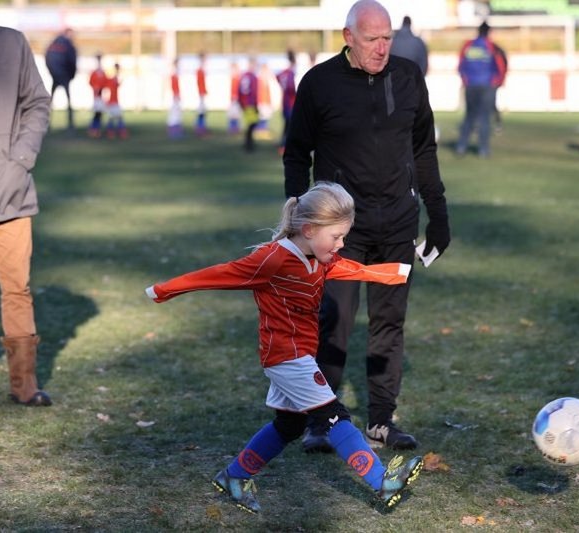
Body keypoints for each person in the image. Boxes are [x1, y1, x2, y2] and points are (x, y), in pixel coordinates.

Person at [145, 182, 424, 513]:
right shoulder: (273, 259)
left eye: (343, 237)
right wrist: (163, 290)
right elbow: (221, 274)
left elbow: (353, 268)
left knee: (290, 424)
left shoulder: (320, 258)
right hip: (285, 357)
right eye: (336, 237)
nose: (342, 244)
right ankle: (382, 482)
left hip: (300, 355)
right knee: (334, 416)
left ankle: (234, 478)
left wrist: (398, 271)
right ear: (308, 230)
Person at [283, 0, 450, 453]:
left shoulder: (408, 77)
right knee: (334, 320)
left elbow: (424, 150)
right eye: (372, 39)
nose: (381, 48)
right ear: (348, 37)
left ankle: (381, 419)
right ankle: (321, 420)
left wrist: (438, 214)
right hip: (340, 230)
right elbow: (297, 153)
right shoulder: (319, 83)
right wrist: (297, 217)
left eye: (387, 38)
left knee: (389, 322)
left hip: (398, 224)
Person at [0, 0, 52, 406]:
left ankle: (24, 386)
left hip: (10, 187)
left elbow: (37, 102)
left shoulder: (13, 44)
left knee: (17, 289)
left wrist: (22, 158)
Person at [455, 20, 507, 158]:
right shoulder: (492, 47)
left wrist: (465, 80)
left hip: (471, 85)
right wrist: (497, 82)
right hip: (487, 86)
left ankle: (461, 147)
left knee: (469, 116)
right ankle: (483, 150)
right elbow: (501, 67)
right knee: (485, 118)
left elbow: (460, 65)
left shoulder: (468, 45)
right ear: (489, 32)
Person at [44, 28, 77, 131]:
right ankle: (70, 125)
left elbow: (47, 58)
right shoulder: (68, 44)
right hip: (64, 76)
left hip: (55, 76)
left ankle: (47, 124)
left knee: (51, 100)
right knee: (68, 100)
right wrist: (71, 75)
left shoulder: (53, 43)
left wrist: (52, 73)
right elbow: (72, 60)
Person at [275, 49, 296, 155]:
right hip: (291, 104)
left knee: (287, 126)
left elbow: (277, 77)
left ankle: (282, 145)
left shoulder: (284, 72)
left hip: (285, 102)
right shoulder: (290, 73)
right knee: (290, 127)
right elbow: (291, 88)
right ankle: (284, 146)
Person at [238, 55, 259, 152]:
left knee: (250, 123)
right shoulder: (252, 77)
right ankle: (248, 143)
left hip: (244, 103)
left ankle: (248, 142)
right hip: (250, 103)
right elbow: (254, 92)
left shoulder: (243, 75)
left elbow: (239, 90)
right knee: (252, 123)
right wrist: (255, 104)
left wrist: (240, 102)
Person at [104, 62, 128, 139]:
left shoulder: (114, 79)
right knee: (115, 117)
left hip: (115, 101)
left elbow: (118, 84)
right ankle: (115, 131)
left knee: (116, 117)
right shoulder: (110, 80)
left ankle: (115, 131)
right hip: (112, 102)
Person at [87, 53, 107, 138]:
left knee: (99, 114)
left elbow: (106, 82)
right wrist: (95, 87)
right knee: (97, 114)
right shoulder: (95, 72)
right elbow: (91, 82)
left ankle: (96, 130)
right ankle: (93, 129)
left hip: (101, 96)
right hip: (96, 96)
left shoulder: (102, 72)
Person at [167, 57, 183, 139]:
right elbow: (174, 86)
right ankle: (173, 131)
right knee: (174, 113)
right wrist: (176, 95)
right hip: (174, 96)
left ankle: (176, 130)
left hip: (176, 95)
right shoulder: (174, 73)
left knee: (177, 113)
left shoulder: (176, 73)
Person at [195, 51, 209, 137]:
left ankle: (202, 129)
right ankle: (200, 129)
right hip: (201, 94)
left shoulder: (202, 69)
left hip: (202, 93)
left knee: (203, 111)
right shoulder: (200, 70)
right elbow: (199, 83)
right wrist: (202, 91)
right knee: (201, 112)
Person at [227, 61, 241, 134]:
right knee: (232, 114)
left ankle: (235, 128)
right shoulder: (232, 78)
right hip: (233, 99)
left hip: (237, 99)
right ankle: (232, 128)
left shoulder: (238, 78)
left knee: (236, 114)